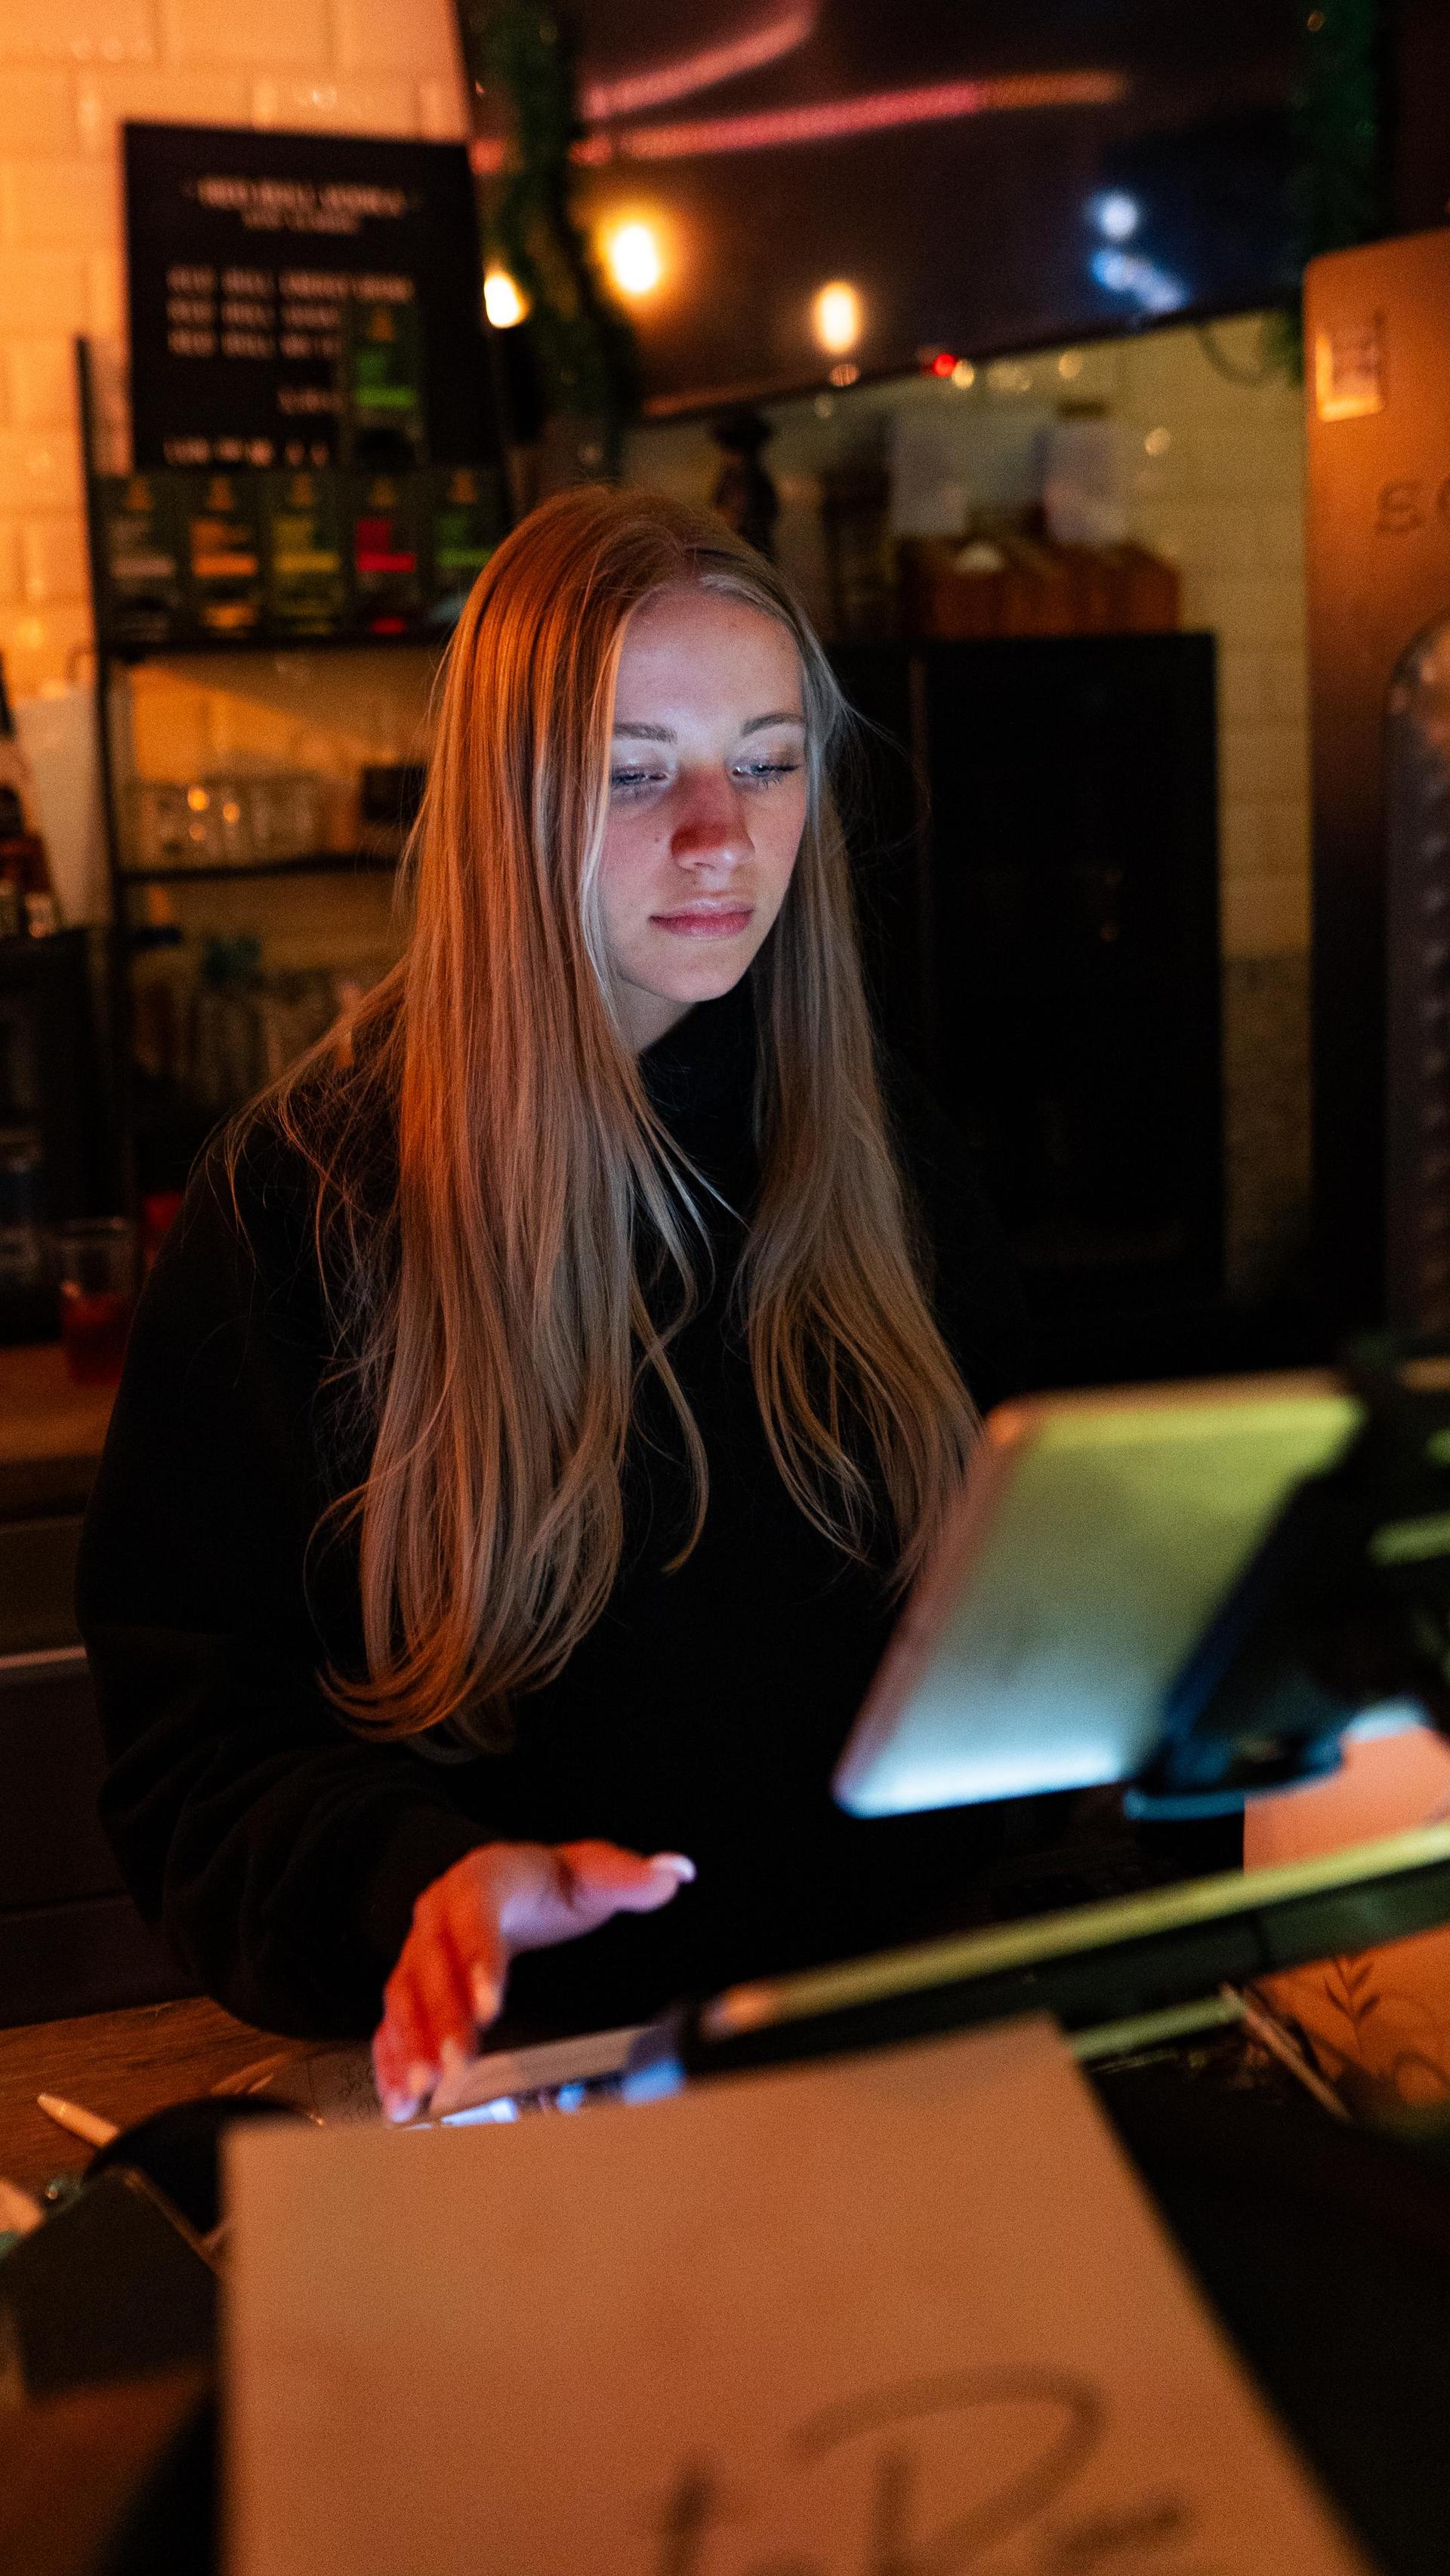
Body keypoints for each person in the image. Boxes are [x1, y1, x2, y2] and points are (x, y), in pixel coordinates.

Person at [77, 488, 1028, 2122]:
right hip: (512, 2096)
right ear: (510, 802)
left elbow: (1002, 1631)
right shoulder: (308, 1199)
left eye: (770, 757)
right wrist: (424, 1882)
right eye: (636, 770)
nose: (720, 832)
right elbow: (193, 1758)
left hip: (881, 2053)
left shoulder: (888, 1161)